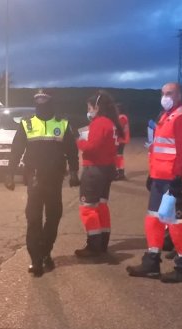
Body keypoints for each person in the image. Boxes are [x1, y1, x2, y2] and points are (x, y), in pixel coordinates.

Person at [126, 82, 182, 283]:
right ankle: (151, 262)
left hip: (175, 179)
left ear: (179, 95)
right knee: (154, 219)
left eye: (170, 93)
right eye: (163, 93)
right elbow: (158, 149)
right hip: (160, 178)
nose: (165, 96)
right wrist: (152, 174)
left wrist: (177, 178)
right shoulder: (165, 116)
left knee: (177, 223)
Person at [5, 90, 80, 277]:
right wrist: (9, 173)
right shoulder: (27, 123)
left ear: (51, 102)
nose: (41, 104)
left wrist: (74, 172)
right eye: (37, 101)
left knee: (54, 217)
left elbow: (71, 150)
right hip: (34, 178)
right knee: (33, 219)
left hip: (55, 179)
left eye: (44, 100)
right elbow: (16, 150)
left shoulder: (62, 124)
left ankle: (46, 250)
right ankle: (36, 259)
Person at [74, 91, 123, 257]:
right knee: (101, 206)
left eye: (89, 108)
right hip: (107, 169)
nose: (88, 111)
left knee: (87, 208)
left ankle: (93, 244)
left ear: (97, 107)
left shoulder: (99, 123)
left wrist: (79, 141)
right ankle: (102, 242)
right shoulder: (111, 123)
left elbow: (91, 147)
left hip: (94, 170)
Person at [114, 103, 130, 181]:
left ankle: (120, 173)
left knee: (119, 156)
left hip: (121, 140)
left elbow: (118, 128)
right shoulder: (122, 117)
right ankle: (119, 172)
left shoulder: (122, 117)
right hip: (120, 139)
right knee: (118, 156)